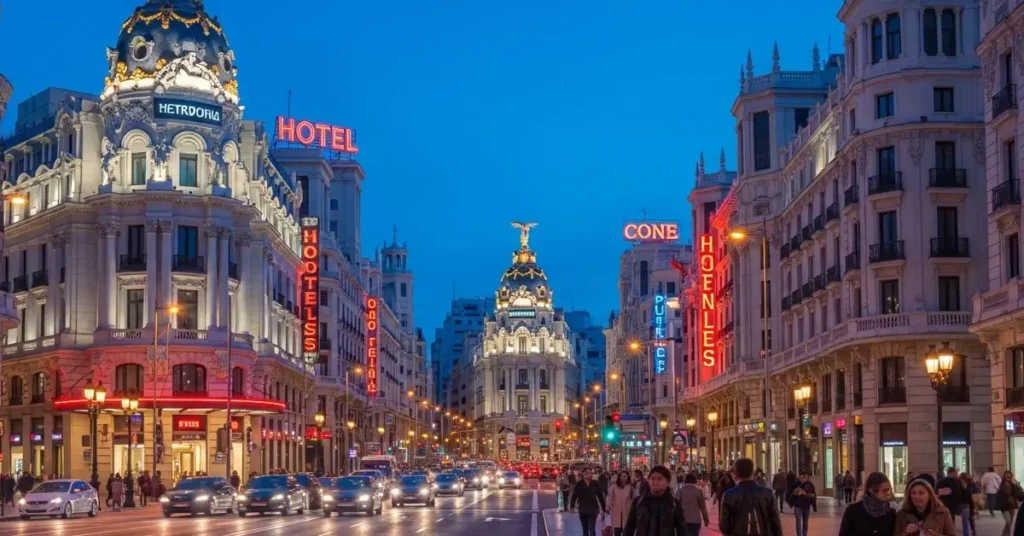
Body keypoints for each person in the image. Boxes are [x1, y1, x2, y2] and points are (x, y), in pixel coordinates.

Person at [719, 458, 781, 536]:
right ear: (752, 473)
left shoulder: (728, 495)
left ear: (735, 474)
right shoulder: (768, 493)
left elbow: (724, 527)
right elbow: (776, 523)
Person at [621, 466, 687, 536]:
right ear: (648, 480)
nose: (655, 482)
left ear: (667, 482)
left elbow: (682, 530)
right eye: (652, 478)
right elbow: (629, 528)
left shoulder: (674, 504)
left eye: (659, 479)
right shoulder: (639, 502)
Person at [837, 472, 895, 536]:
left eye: (889, 490)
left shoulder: (891, 512)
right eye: (885, 490)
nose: (888, 493)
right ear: (872, 491)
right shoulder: (853, 511)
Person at [570, 467, 607, 536]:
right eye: (587, 473)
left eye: (590, 473)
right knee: (585, 529)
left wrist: (604, 509)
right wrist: (572, 506)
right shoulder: (579, 484)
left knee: (592, 529)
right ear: (584, 474)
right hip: (582, 509)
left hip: (593, 509)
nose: (590, 475)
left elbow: (600, 497)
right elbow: (574, 496)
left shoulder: (595, 483)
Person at [786, 472, 815, 536]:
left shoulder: (810, 485)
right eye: (801, 477)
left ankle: (804, 534)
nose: (803, 479)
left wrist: (805, 493)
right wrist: (795, 492)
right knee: (798, 522)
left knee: (805, 523)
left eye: (804, 477)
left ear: (807, 478)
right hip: (797, 506)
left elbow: (813, 495)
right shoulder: (795, 484)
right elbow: (788, 494)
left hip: (806, 506)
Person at [608, 471, 635, 536]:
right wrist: (608, 507)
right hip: (616, 513)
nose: (623, 478)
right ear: (619, 477)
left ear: (628, 477)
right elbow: (609, 498)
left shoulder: (630, 488)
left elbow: (634, 499)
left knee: (627, 532)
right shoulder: (614, 487)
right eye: (622, 476)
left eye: (625, 476)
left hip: (627, 513)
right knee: (617, 532)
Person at [998, 470, 1021, 536]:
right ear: (1004, 476)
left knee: (1010, 523)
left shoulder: (1014, 484)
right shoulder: (1003, 484)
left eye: (1009, 476)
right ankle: (1003, 534)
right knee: (1008, 522)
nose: (1008, 478)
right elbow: (1003, 493)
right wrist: (1006, 484)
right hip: (1004, 505)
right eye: (1007, 476)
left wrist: (1014, 484)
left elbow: (1020, 492)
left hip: (1012, 505)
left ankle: (1008, 534)